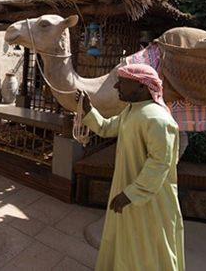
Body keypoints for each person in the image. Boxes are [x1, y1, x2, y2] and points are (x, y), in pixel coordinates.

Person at [76, 63, 185, 271]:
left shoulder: (158, 119)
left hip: (150, 200)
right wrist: (89, 110)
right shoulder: (132, 111)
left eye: (122, 82)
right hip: (130, 192)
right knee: (129, 241)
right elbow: (107, 128)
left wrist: (132, 193)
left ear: (142, 86)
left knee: (149, 247)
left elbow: (159, 163)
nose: (116, 86)